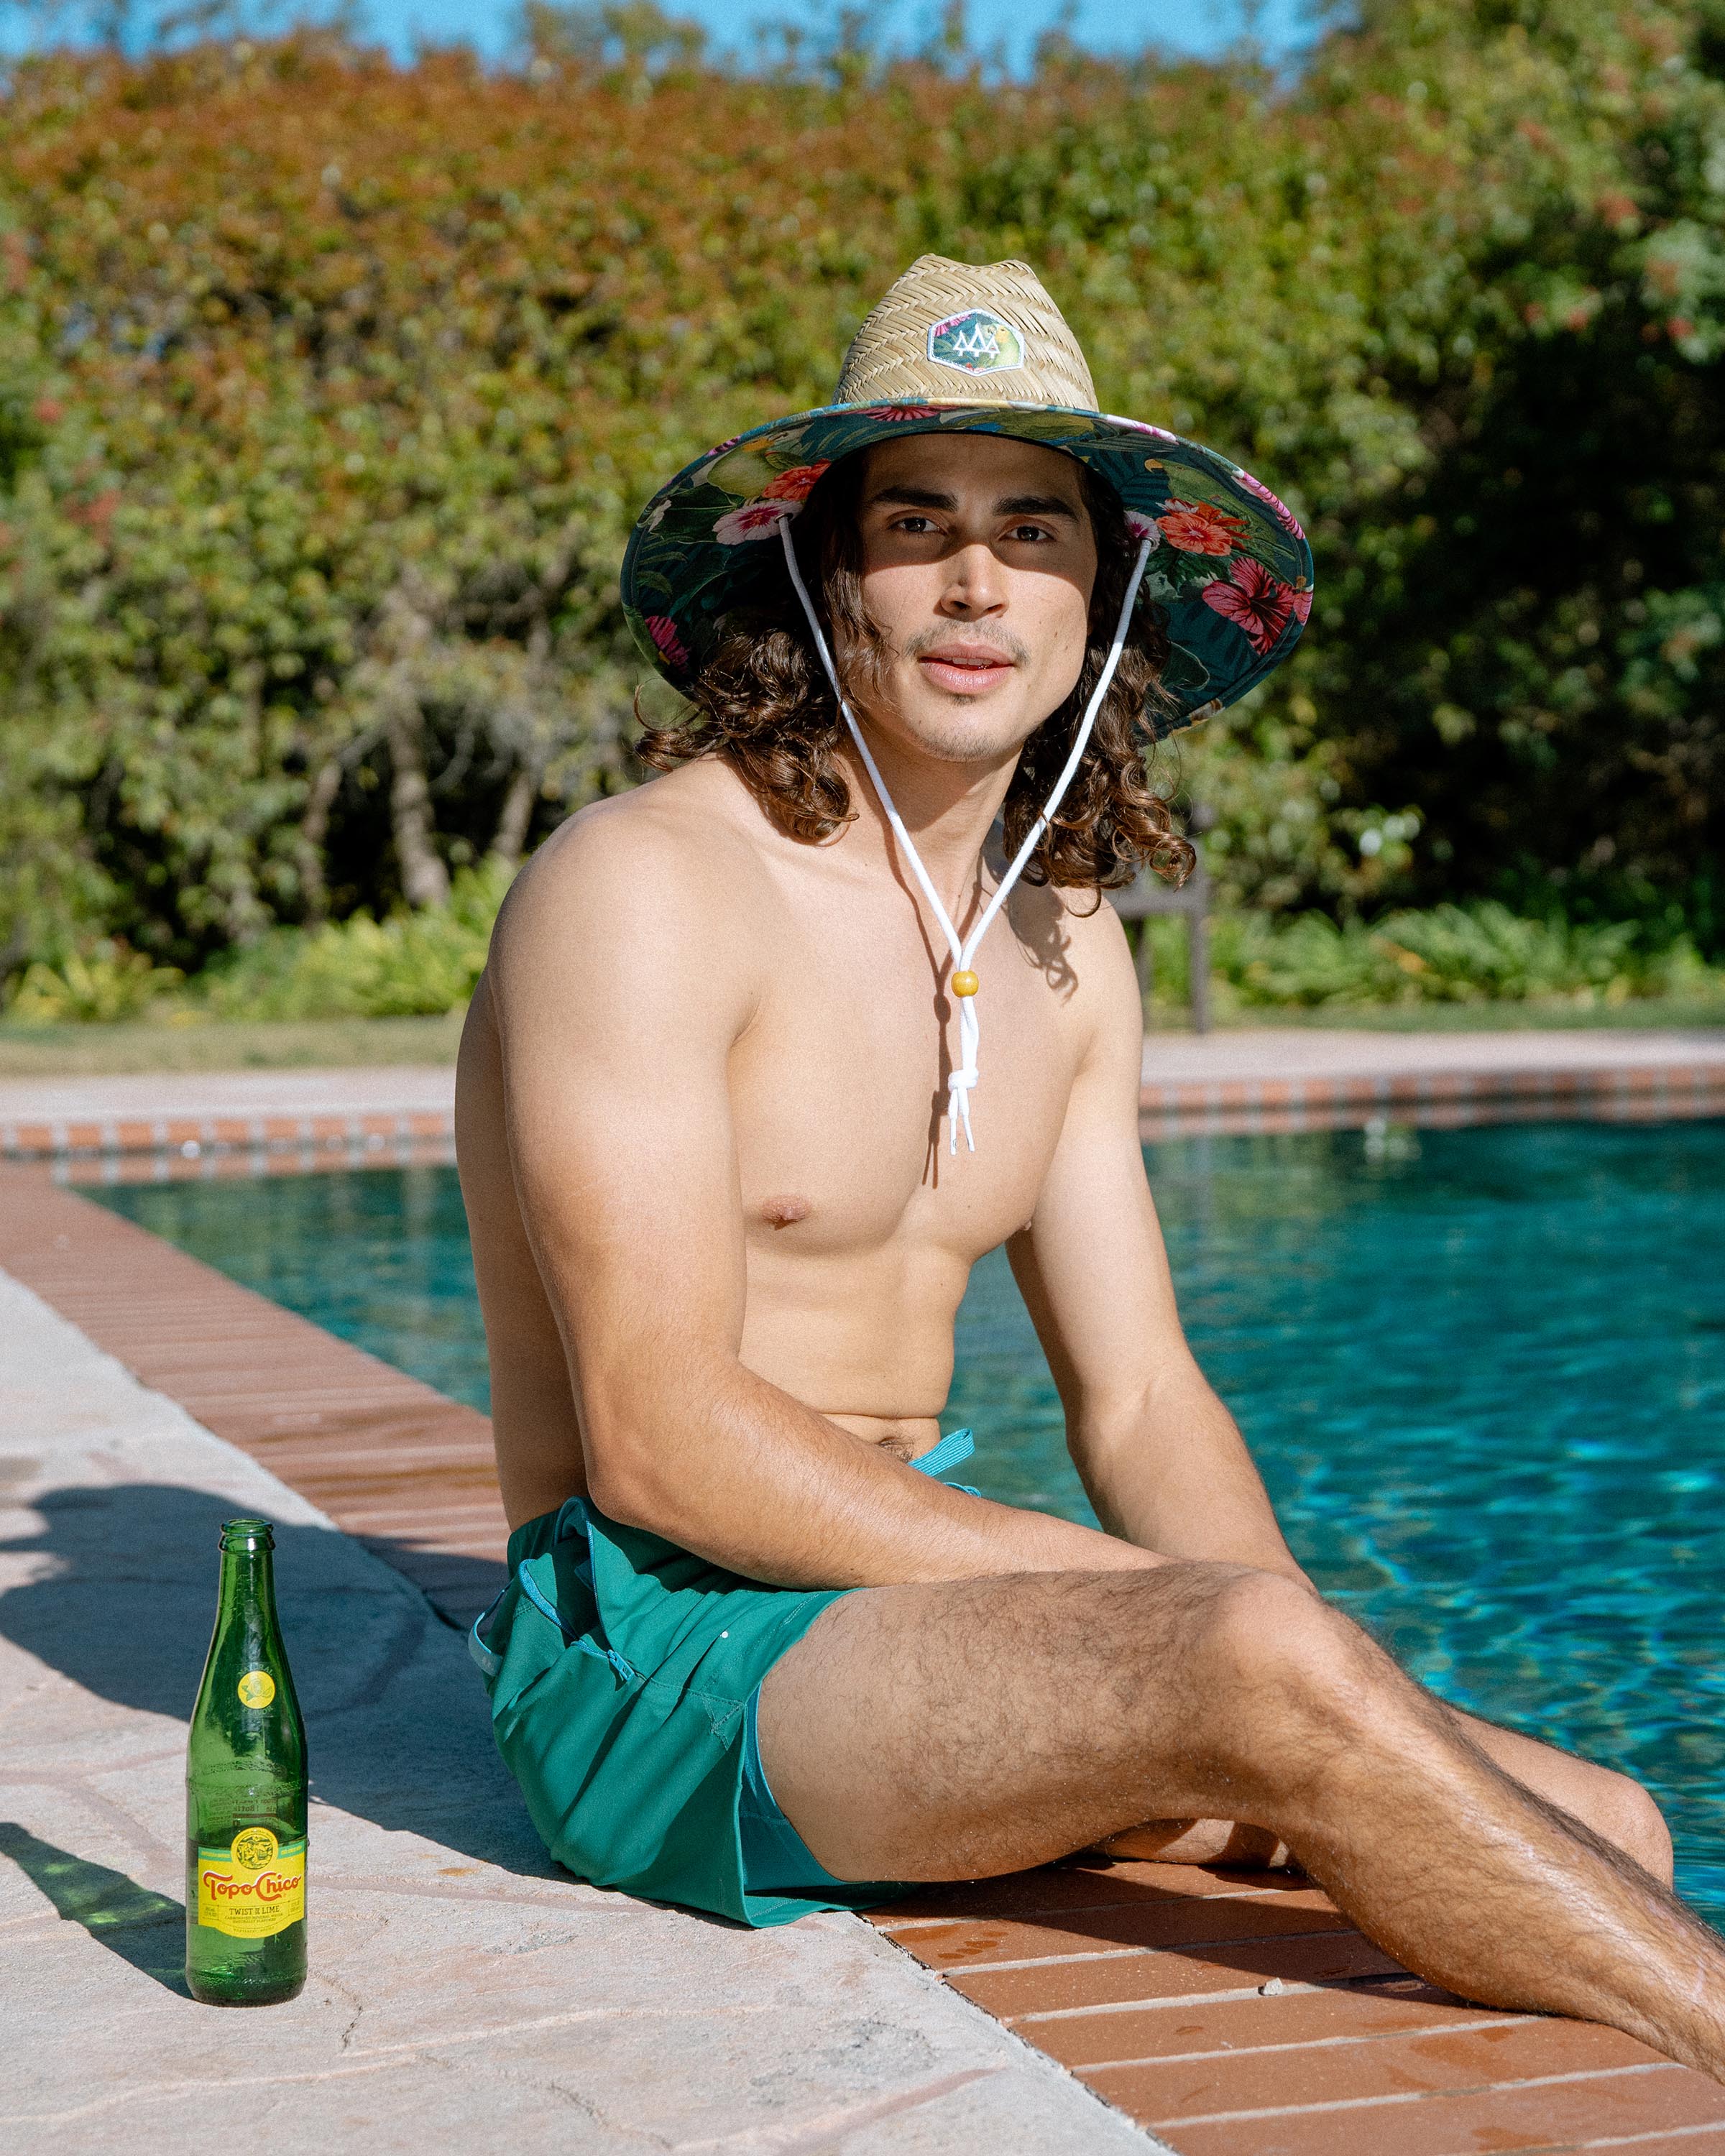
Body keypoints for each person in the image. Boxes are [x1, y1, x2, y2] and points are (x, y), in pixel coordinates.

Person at [456, 256, 1725, 2079]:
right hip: (663, 1663)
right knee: (1243, 1660)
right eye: (921, 523)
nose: (979, 581)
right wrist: (1162, 1622)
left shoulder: (1065, 940)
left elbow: (1138, 1401)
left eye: (1033, 530)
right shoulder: (646, 887)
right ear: (829, 576)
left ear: (1098, 593)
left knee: (1609, 1821)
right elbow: (657, 1432)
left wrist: (1335, 1689)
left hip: (905, 1635)